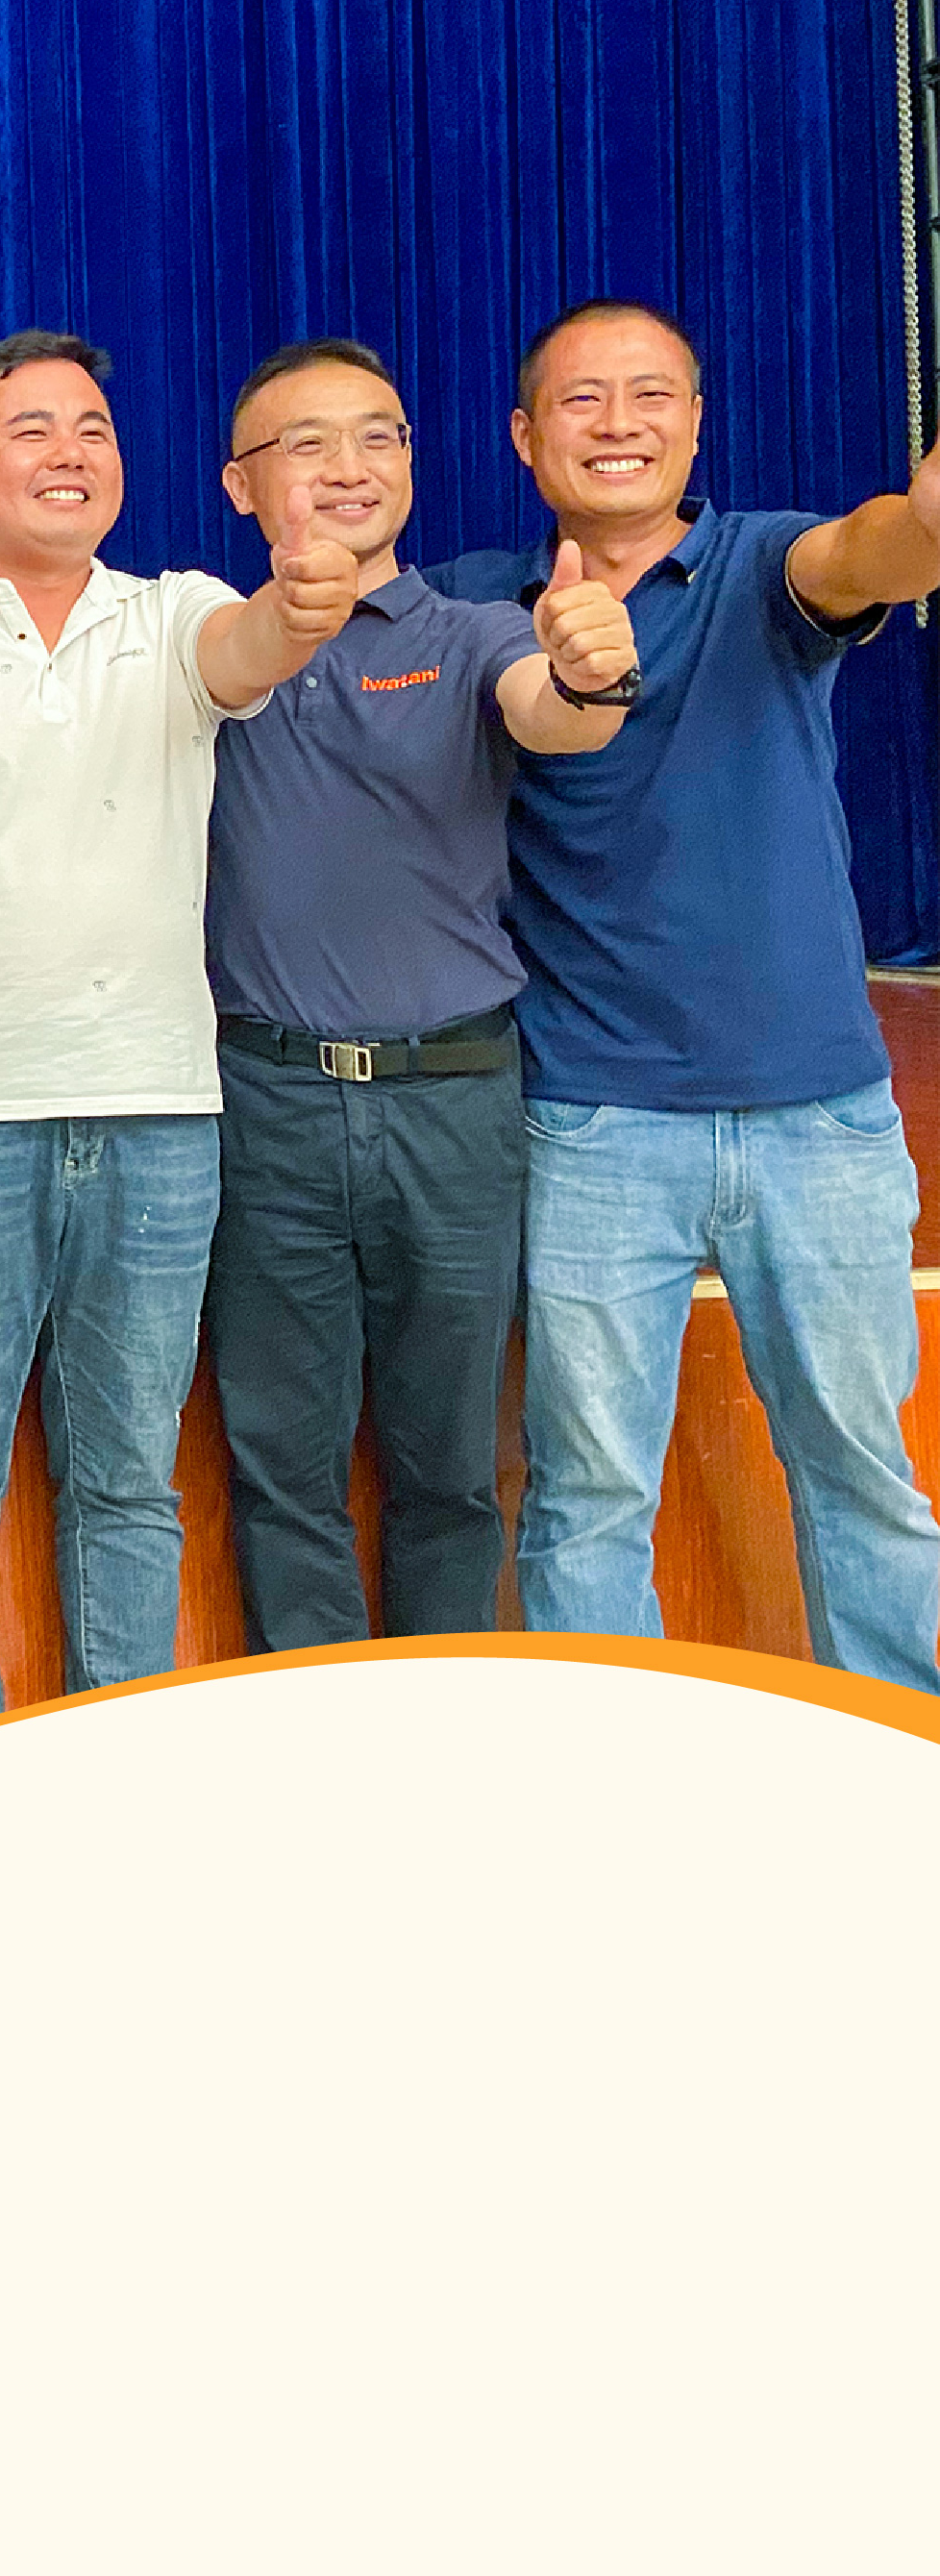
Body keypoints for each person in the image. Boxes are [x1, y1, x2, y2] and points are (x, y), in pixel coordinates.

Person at [0, 333, 365, 1732]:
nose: (69, 451)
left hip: (155, 1111)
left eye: (91, 426)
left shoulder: (176, 612)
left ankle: (113, 1774)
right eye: (29, 429)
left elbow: (254, 646)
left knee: (129, 1481)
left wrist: (304, 601)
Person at [434, 302, 940, 1694]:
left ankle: (902, 1756)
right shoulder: (474, 602)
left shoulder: (765, 564)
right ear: (524, 436)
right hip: (591, 1125)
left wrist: (926, 518)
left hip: (820, 1121)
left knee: (862, 1473)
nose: (618, 423)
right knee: (587, 1494)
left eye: (649, 394)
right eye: (581, 399)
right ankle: (615, 1782)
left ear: (696, 424)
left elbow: (876, 549)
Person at [198, 335, 636, 1648]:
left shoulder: (474, 631)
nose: (350, 466)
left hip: (452, 1100)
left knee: (449, 1470)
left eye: (377, 436)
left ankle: (442, 1725)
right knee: (283, 1468)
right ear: (240, 485)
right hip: (267, 1100)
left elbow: (553, 708)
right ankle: (318, 1727)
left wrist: (591, 670)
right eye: (308, 443)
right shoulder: (201, 643)